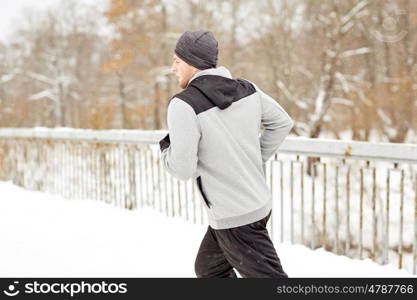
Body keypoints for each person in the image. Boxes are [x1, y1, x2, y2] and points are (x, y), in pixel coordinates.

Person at [159, 30, 294, 278]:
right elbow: (281, 122)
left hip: (235, 217)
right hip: (257, 203)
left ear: (192, 62)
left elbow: (182, 169)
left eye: (177, 61)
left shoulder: (184, 105)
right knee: (209, 270)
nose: (172, 68)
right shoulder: (247, 89)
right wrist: (254, 160)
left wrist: (166, 148)